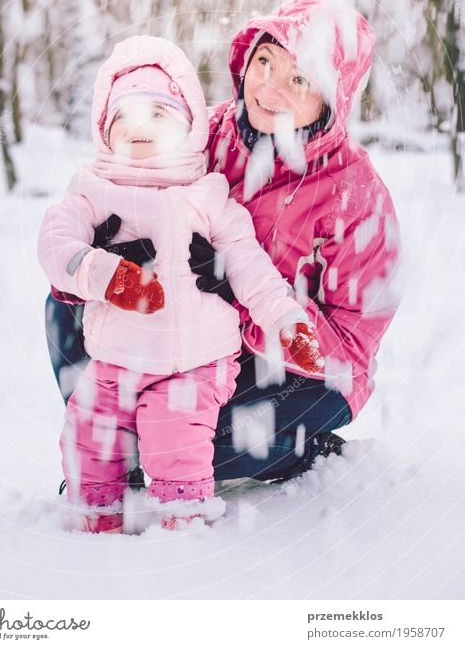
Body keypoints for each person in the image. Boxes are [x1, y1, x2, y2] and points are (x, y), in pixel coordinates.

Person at [44, 0, 401, 490]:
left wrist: (243, 300)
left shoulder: (356, 198)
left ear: (332, 96)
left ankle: (293, 451)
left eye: (299, 79)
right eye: (266, 63)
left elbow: (350, 349)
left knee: (196, 447)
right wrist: (102, 256)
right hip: (185, 329)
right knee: (64, 309)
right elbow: (116, 185)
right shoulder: (204, 132)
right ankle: (110, 447)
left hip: (299, 370)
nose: (269, 89)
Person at [38, 35, 324, 533]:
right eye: (122, 117)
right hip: (113, 359)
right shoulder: (91, 190)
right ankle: (94, 521)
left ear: (189, 127)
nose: (138, 128)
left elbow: (248, 264)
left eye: (157, 114)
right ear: (104, 130)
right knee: (88, 437)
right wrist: (100, 272)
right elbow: (55, 243)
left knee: (175, 442)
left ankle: (181, 524)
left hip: (192, 364)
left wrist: (283, 319)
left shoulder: (207, 195)